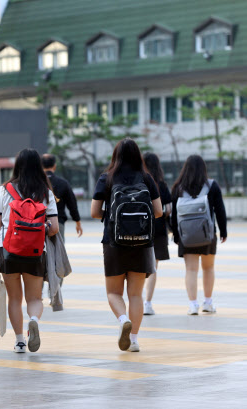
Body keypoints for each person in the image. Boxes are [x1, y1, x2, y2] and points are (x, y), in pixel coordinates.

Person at [91, 138, 162, 353]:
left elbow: (94, 212)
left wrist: (112, 217)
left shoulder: (107, 178)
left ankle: (123, 320)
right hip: (142, 243)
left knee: (114, 293)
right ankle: (134, 340)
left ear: (116, 156)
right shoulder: (146, 178)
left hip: (113, 242)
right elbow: (158, 212)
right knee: (135, 295)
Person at [0, 149, 59, 354]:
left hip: (8, 250)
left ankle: (20, 341)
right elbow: (54, 227)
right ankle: (33, 320)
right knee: (35, 299)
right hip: (36, 252)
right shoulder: (45, 192)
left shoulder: (4, 190)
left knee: (14, 298)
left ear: (17, 166)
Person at [171, 155, 227, 315]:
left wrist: (176, 235)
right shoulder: (212, 186)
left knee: (191, 270)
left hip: (186, 236)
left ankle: (193, 305)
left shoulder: (178, 187)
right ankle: (208, 303)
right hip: (207, 235)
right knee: (208, 268)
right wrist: (223, 231)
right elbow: (220, 210)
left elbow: (174, 215)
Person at [142, 153, 172, 315]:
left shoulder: (139, 181)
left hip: (139, 228)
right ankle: (147, 303)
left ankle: (136, 300)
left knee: (139, 266)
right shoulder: (161, 184)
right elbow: (167, 209)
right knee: (153, 267)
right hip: (159, 229)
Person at [42, 154, 82, 240]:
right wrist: (77, 222)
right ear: (54, 166)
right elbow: (72, 204)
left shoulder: (36, 183)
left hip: (39, 224)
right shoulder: (63, 183)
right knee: (58, 251)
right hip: (58, 222)